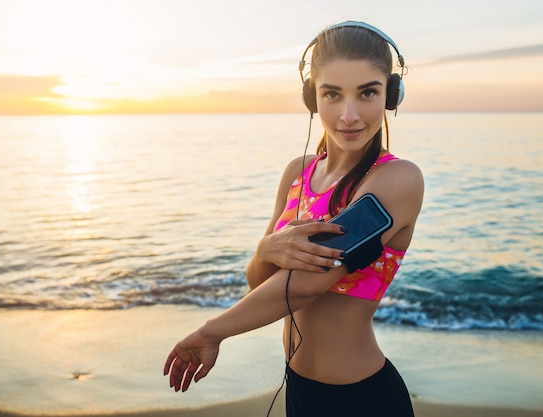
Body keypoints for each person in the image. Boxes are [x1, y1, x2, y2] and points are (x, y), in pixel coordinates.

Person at [164, 21, 424, 417]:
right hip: (300, 391)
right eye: (332, 94)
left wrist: (211, 332)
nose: (349, 115)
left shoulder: (398, 180)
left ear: (391, 93)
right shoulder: (297, 173)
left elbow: (305, 284)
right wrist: (266, 247)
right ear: (311, 97)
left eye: (368, 92)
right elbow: (259, 281)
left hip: (363, 398)